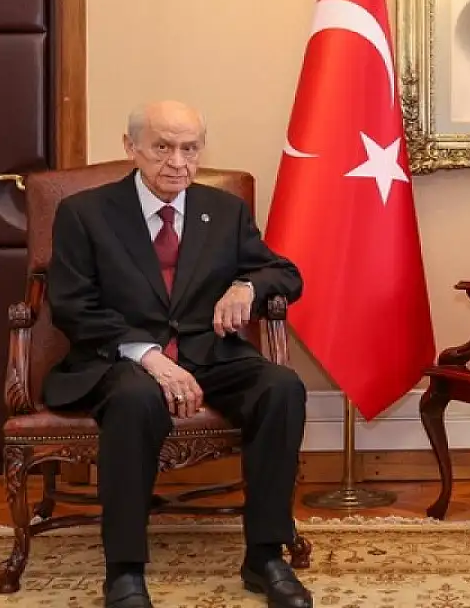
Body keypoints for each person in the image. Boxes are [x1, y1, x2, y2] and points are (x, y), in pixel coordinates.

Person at [42, 101, 312, 608]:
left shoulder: (224, 210)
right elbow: (72, 307)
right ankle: (124, 571)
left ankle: (265, 556)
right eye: (162, 147)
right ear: (131, 147)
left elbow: (285, 274)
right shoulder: (84, 213)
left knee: (281, 387)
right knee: (136, 398)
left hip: (208, 353)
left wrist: (247, 287)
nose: (178, 163)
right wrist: (147, 355)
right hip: (119, 359)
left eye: (190, 149)